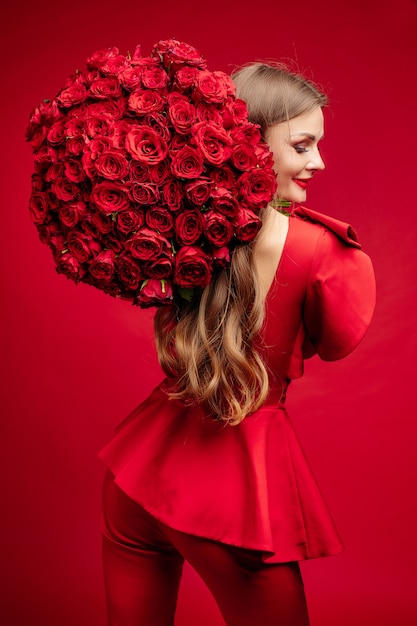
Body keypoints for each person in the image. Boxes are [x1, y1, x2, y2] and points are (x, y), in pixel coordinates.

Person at [99, 61, 376, 626]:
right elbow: (338, 339)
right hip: (235, 493)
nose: (319, 161)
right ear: (249, 145)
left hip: (135, 476)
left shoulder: (171, 230)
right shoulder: (322, 250)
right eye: (302, 146)